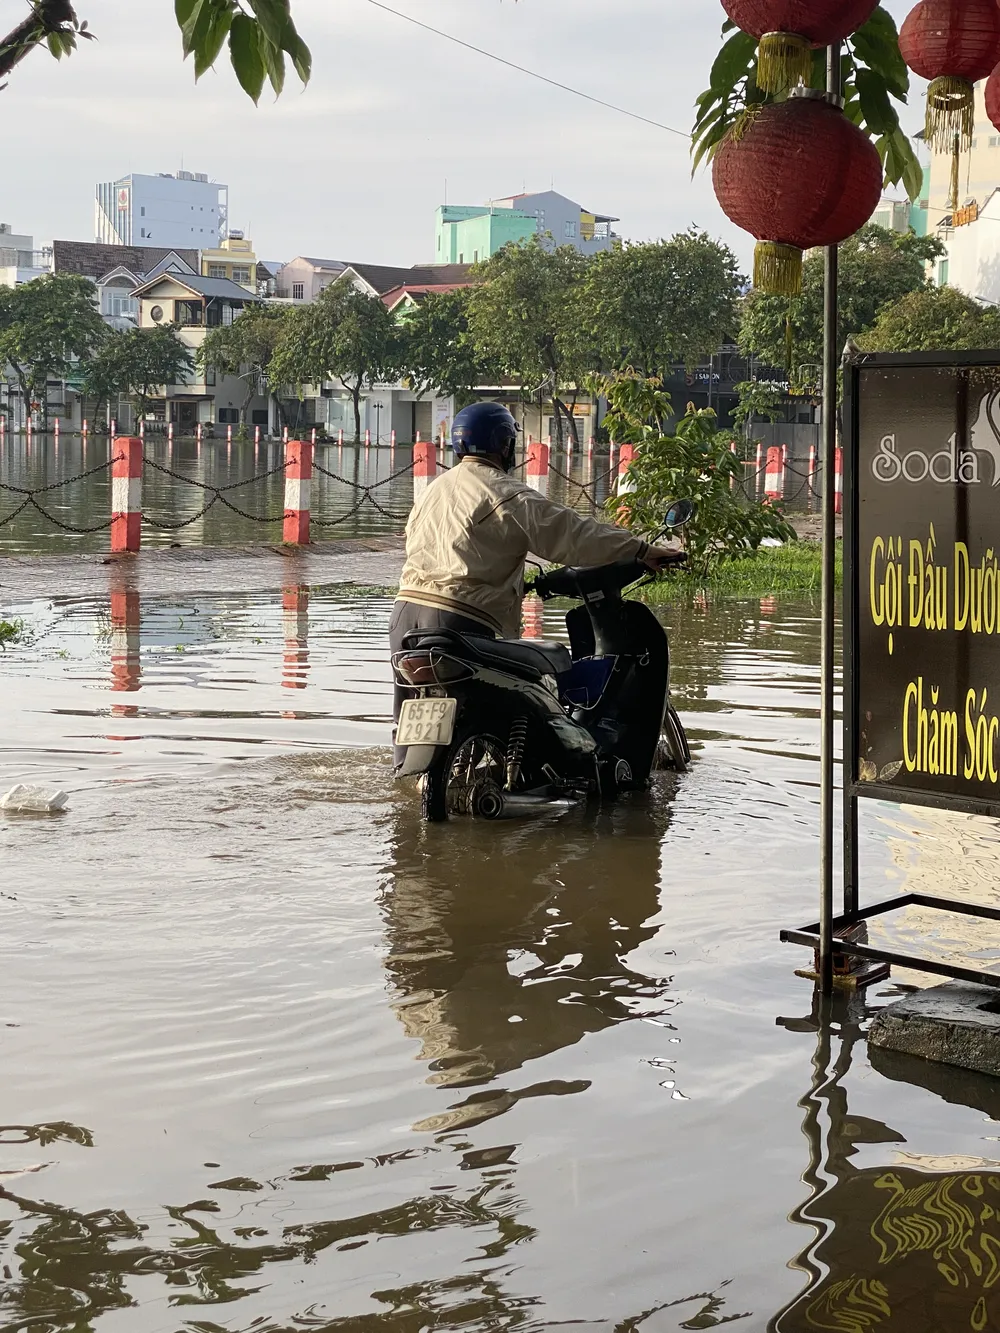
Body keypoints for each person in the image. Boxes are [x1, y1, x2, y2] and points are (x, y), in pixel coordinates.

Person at [390, 402, 684, 730]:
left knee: (407, 721)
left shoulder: (433, 491)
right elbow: (574, 536)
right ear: (506, 444)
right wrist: (641, 549)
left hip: (404, 616)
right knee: (493, 717)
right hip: (460, 617)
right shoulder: (506, 493)